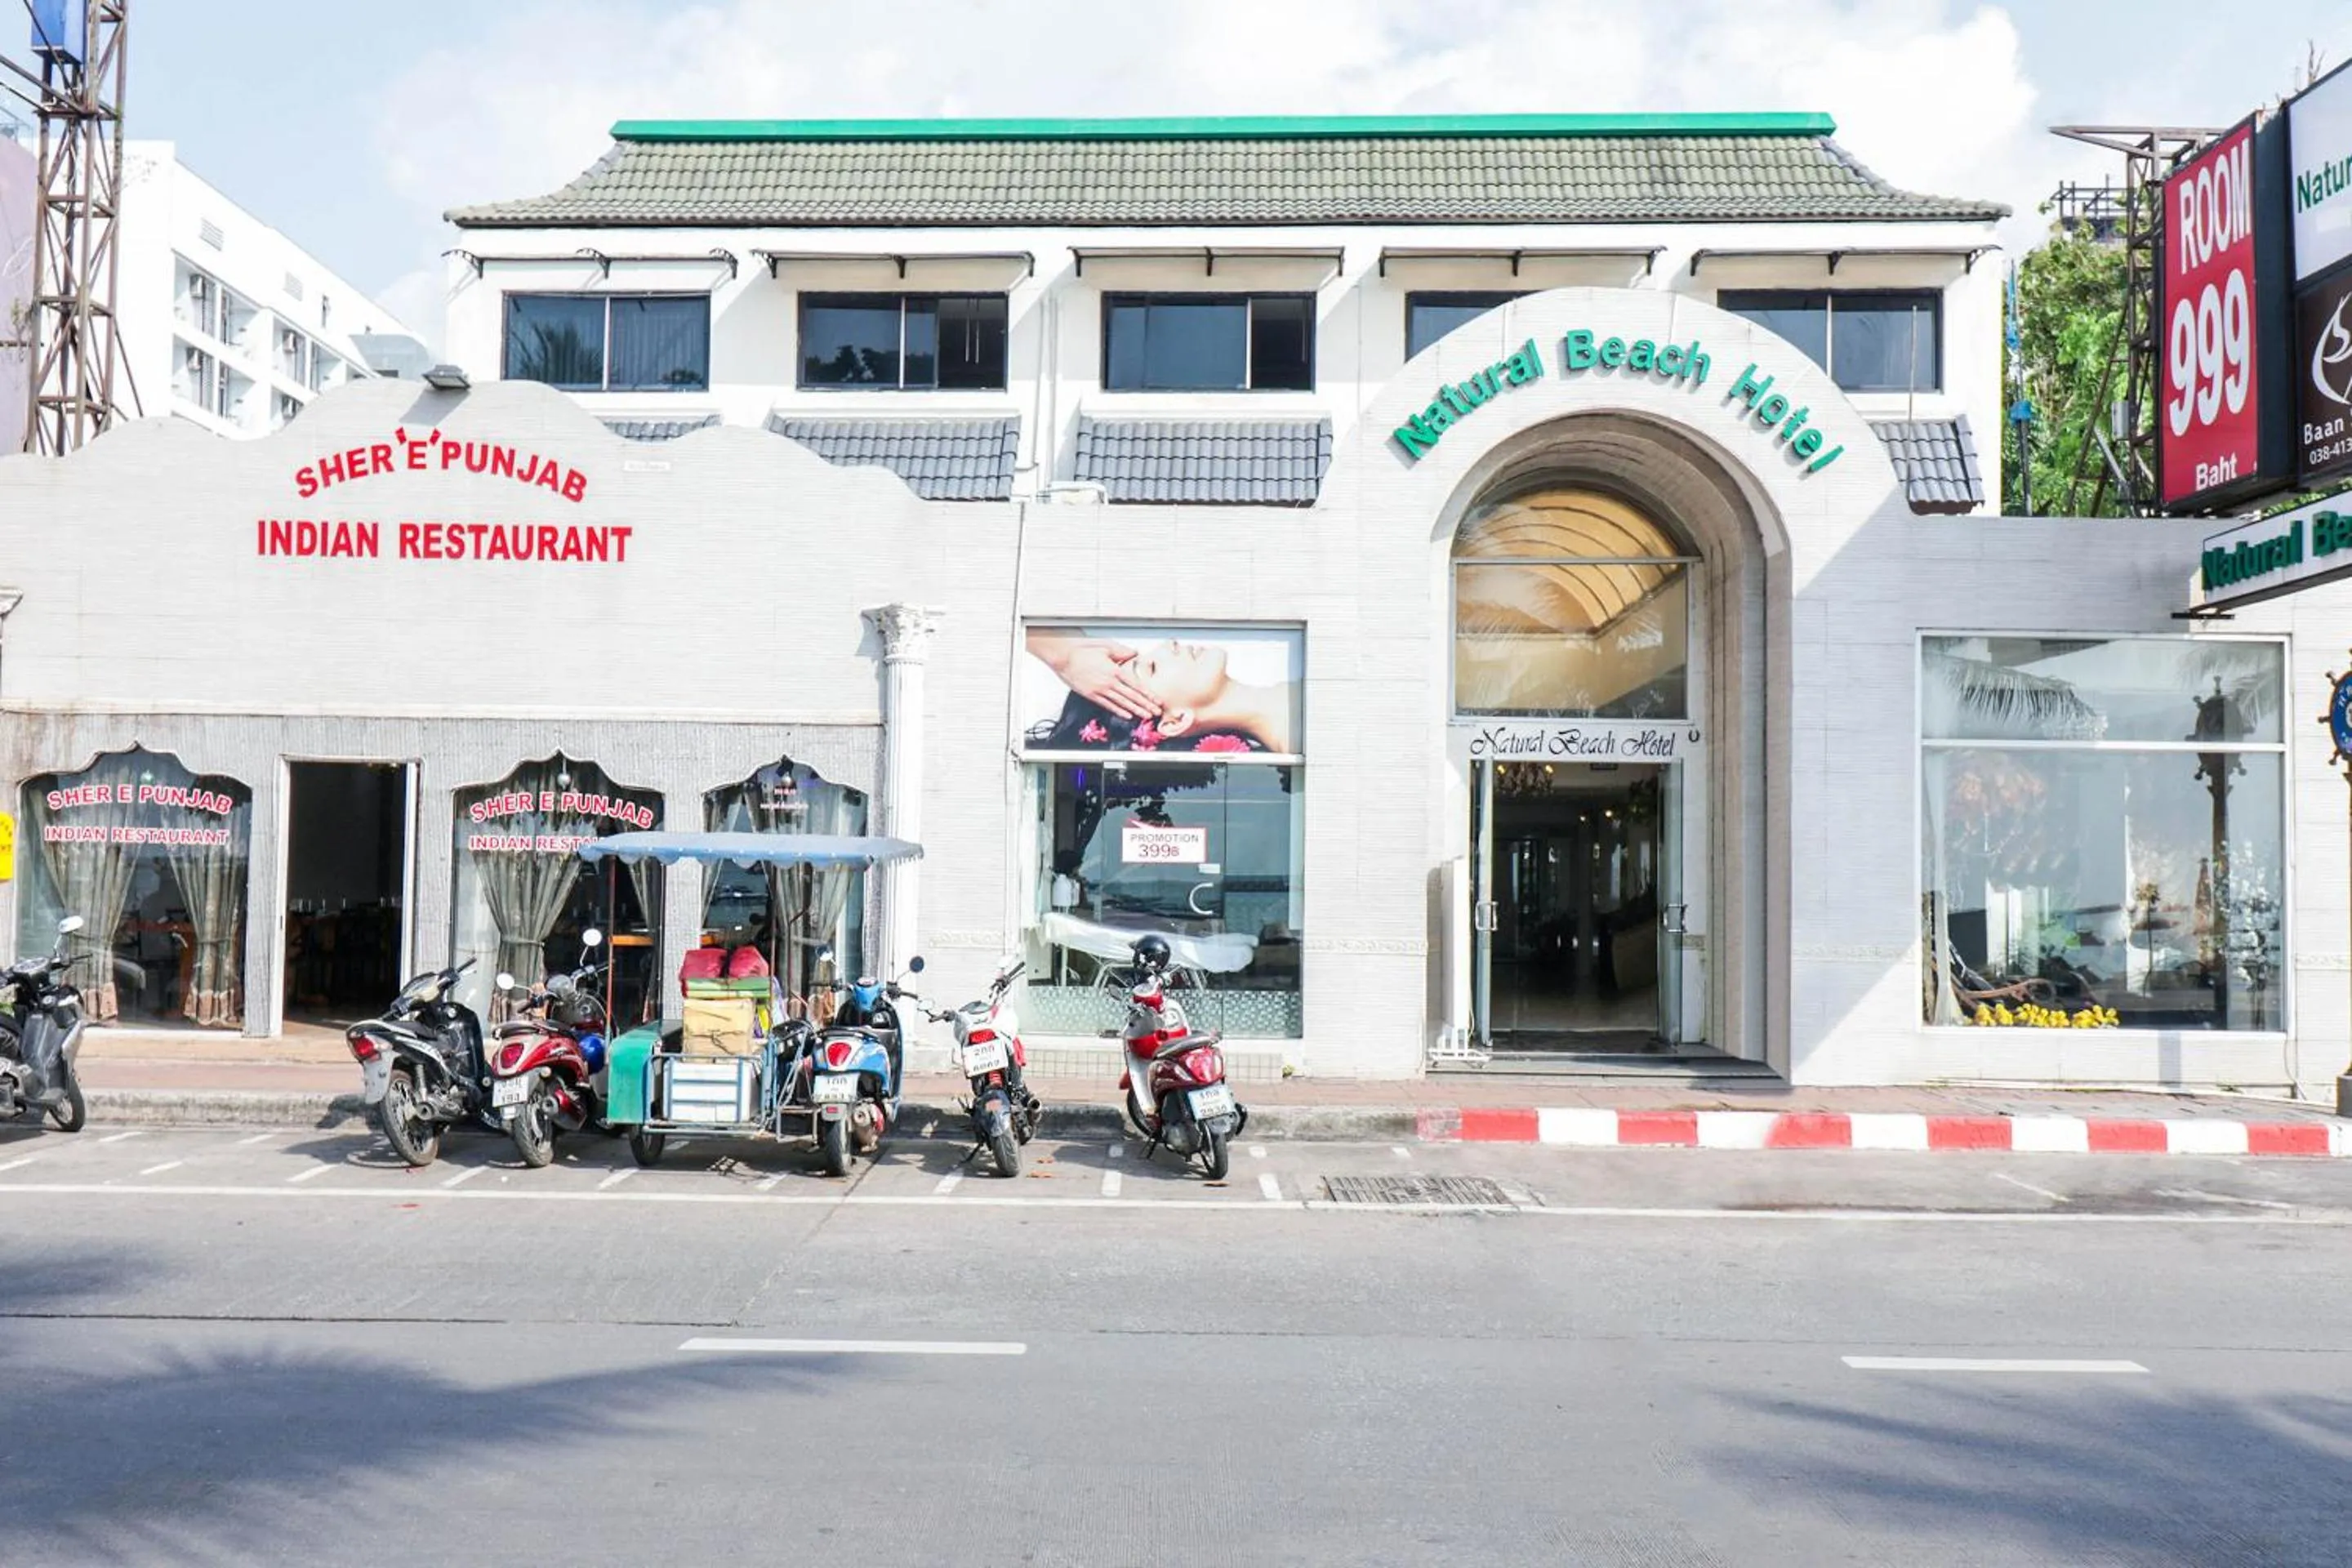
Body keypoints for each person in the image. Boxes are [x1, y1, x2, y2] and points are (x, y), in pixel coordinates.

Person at [1024, 630, 1295, 753]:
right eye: (1152, 668)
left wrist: (1069, 655)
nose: (1169, 643)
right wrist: (1061, 655)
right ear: (1175, 721)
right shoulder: (1298, 737)